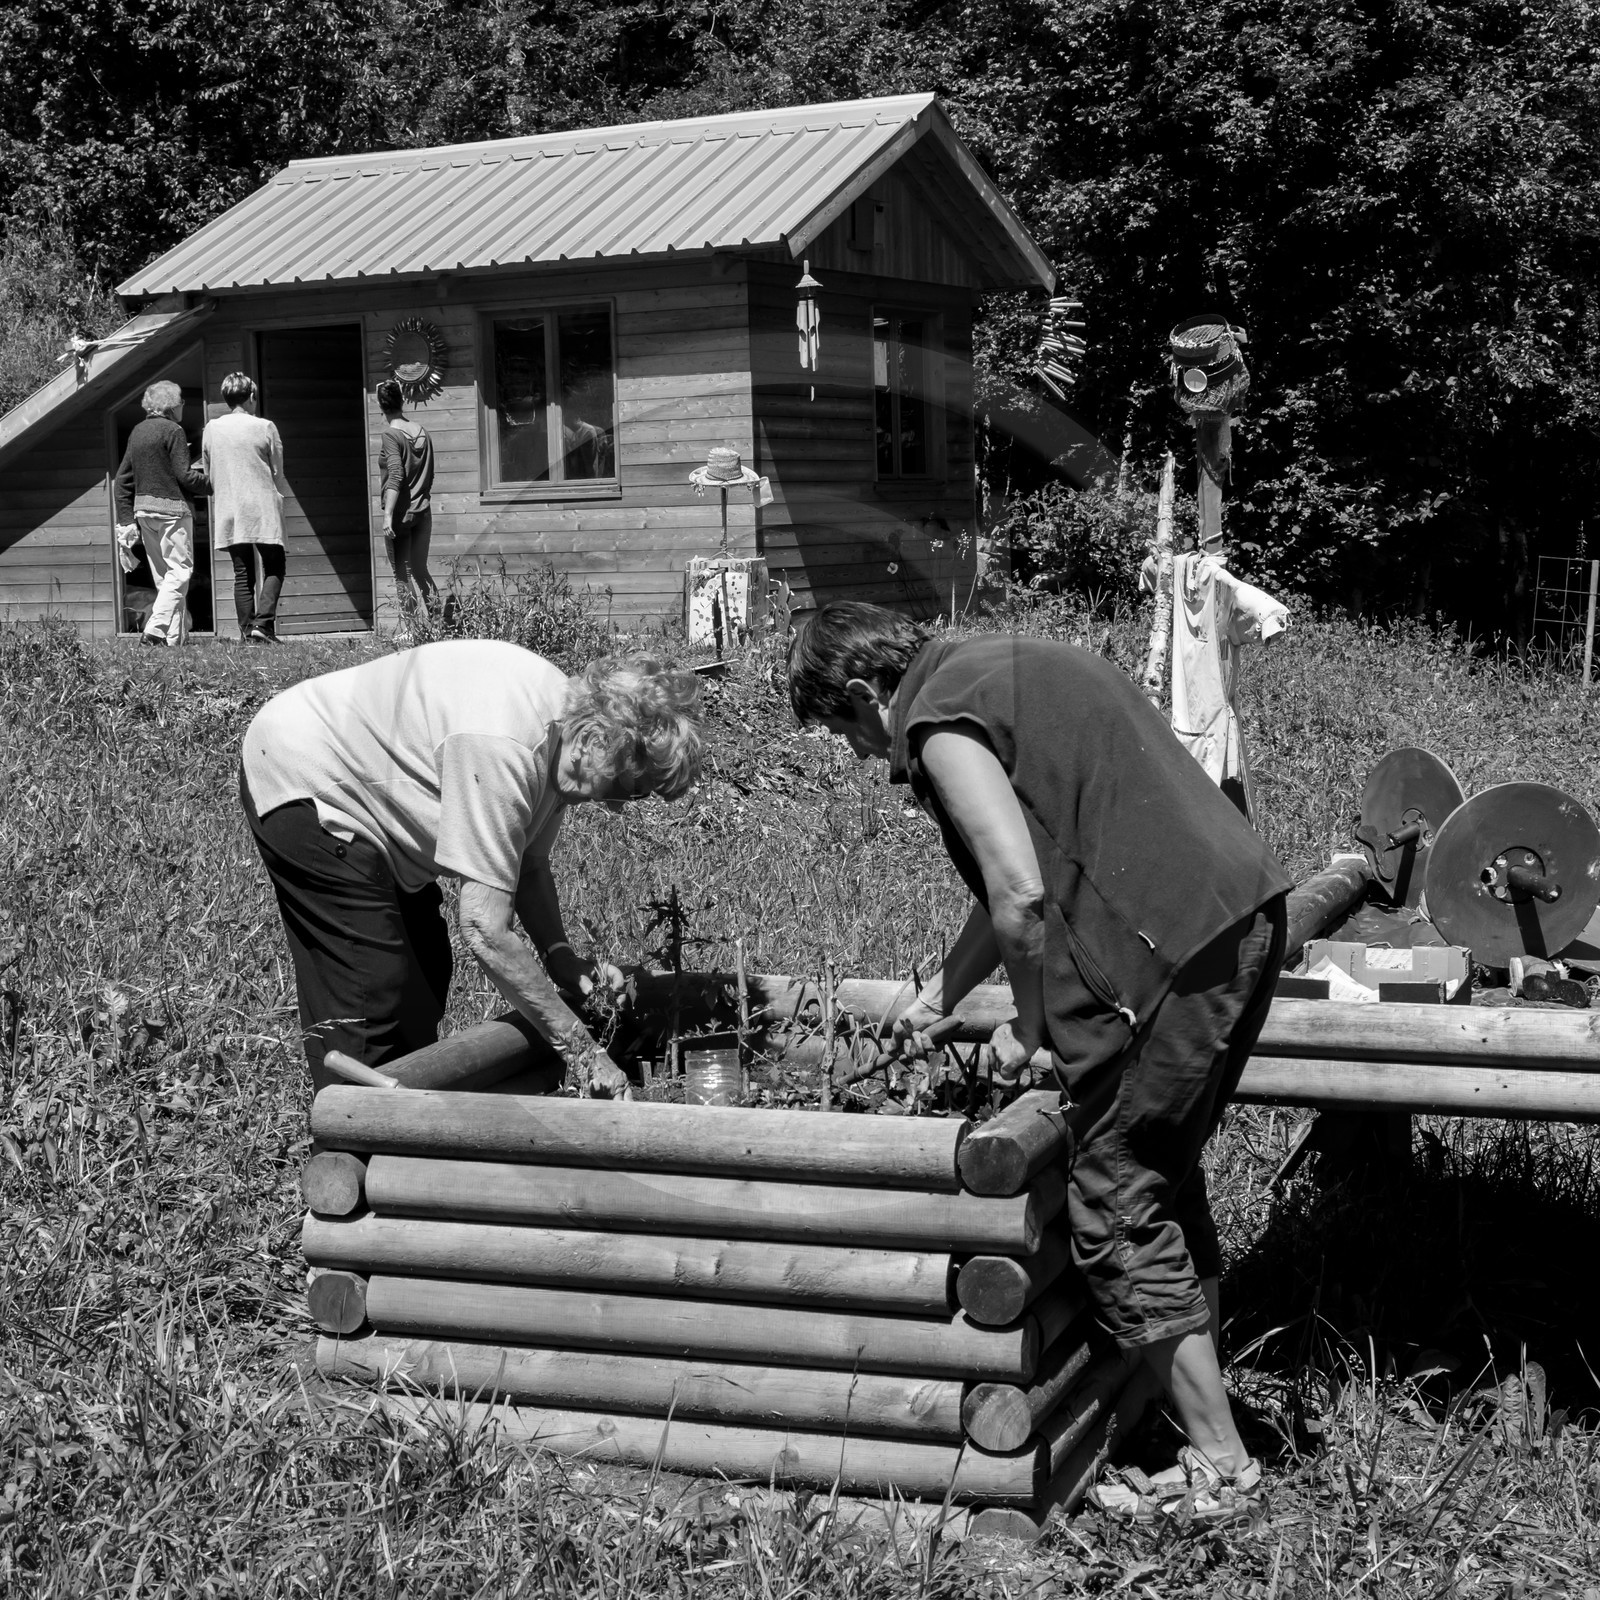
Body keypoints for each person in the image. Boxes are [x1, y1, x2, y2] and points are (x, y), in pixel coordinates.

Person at [790, 603, 1290, 1516]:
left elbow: (1020, 893)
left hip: (1167, 950)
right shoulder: (1003, 663)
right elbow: (1010, 879)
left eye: (845, 731)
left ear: (866, 694)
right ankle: (1169, 1409)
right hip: (1238, 916)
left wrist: (1028, 1022)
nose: (863, 755)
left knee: (1112, 1204)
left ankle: (1224, 1467)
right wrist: (942, 995)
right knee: (1159, 1179)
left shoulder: (938, 718)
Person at [240, 641, 702, 1096]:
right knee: (372, 987)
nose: (620, 806)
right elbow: (484, 929)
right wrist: (583, 1053)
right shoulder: (506, 745)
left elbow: (528, 866)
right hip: (308, 777)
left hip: (370, 805)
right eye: (627, 786)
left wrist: (561, 956)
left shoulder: (568, 737)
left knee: (425, 970)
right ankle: (352, 1146)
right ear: (597, 739)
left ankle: (408, 1127)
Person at [112, 380, 207, 647]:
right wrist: (212, 484)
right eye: (181, 402)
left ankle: (174, 639)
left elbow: (122, 481)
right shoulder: (173, 430)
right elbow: (185, 476)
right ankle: (154, 630)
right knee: (180, 572)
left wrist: (126, 521)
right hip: (173, 512)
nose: (182, 407)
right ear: (173, 405)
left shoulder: (138, 431)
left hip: (144, 514)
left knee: (166, 580)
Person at [202, 372, 288, 643]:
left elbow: (208, 469)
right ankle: (263, 625)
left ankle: (246, 631)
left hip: (229, 505)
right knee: (275, 565)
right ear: (251, 397)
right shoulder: (264, 427)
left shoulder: (211, 429)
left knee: (243, 572)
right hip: (261, 504)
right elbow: (277, 470)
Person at [376, 379, 438, 620]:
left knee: (402, 573)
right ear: (402, 401)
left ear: (380, 405)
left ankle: (413, 631)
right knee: (421, 571)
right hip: (423, 512)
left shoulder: (391, 435)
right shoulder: (422, 431)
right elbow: (430, 473)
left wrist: (388, 515)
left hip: (402, 515)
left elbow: (396, 473)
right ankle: (438, 623)